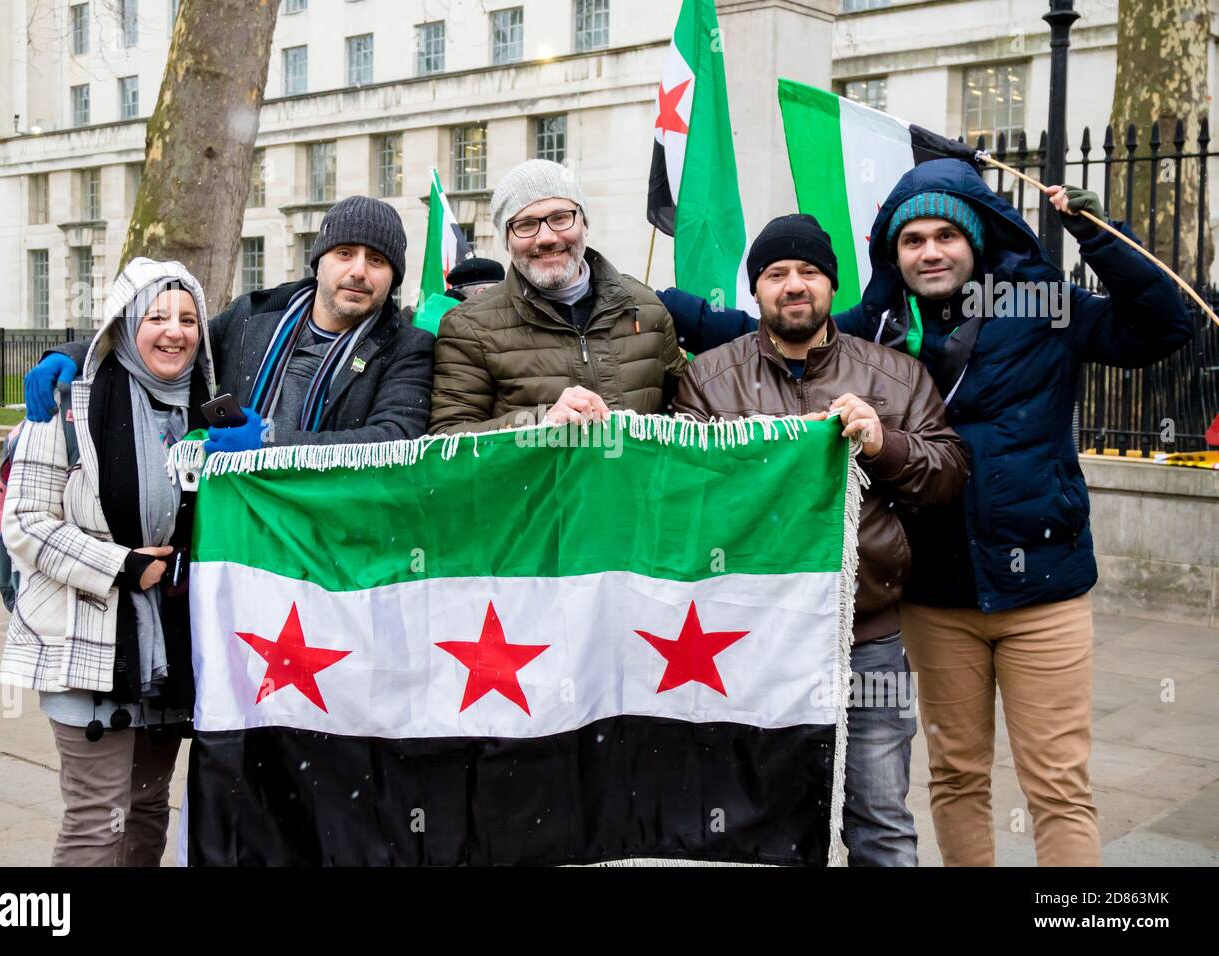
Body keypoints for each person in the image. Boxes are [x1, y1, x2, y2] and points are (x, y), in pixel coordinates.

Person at [664, 161, 1195, 866]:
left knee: (1058, 785)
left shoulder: (1045, 309)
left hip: (1044, 588)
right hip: (935, 596)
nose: (931, 251)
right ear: (895, 254)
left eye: (947, 234)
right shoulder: (879, 328)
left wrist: (1098, 234)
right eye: (912, 239)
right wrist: (650, 301)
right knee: (955, 777)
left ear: (975, 242)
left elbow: (1163, 326)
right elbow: (779, 322)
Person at [673, 214, 969, 866]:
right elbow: (682, 494)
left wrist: (882, 442)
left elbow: (947, 477)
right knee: (759, 828)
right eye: (777, 274)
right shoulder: (708, 380)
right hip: (752, 646)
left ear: (833, 286)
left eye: (809, 272)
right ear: (756, 290)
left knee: (881, 823)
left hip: (868, 641)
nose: (794, 285)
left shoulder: (893, 377)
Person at [0, 258, 216, 866]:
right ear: (125, 324)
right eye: (156, 316)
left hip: (171, 650)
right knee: (97, 819)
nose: (174, 331)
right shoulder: (68, 404)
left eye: (188, 318)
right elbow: (26, 522)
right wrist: (122, 565)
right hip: (87, 641)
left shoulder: (209, 408)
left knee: (147, 810)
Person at [23, 197, 434, 450]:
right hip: (231, 521)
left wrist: (269, 441)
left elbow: (394, 438)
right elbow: (172, 344)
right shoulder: (253, 316)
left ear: (392, 276)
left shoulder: (406, 347)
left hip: (328, 533)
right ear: (320, 261)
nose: (359, 271)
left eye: (376, 260)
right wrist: (77, 355)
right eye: (345, 253)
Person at [430, 159, 687, 433]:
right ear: (507, 240)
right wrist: (540, 424)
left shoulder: (645, 306)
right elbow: (447, 442)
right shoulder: (468, 326)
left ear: (584, 224)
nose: (547, 237)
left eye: (560, 218)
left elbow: (686, 412)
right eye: (526, 225)